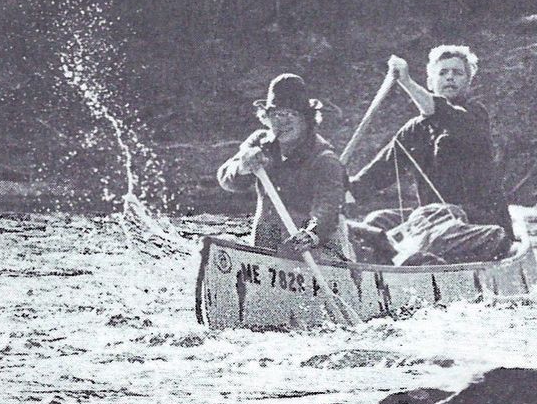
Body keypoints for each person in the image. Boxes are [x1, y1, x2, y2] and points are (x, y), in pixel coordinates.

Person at [348, 45, 513, 261]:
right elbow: (377, 174)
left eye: (457, 73)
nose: (450, 78)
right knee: (375, 221)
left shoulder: (475, 116)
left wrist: (406, 81)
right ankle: (391, 265)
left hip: (477, 222)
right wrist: (341, 191)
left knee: (441, 224)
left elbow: (441, 112)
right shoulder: (413, 130)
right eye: (442, 73)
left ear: (468, 82)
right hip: (430, 220)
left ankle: (413, 256)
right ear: (430, 83)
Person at [217, 73, 353, 260]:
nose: (283, 122)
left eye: (291, 114)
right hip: (267, 248)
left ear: (306, 119)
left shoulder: (325, 159)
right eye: (277, 114)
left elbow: (328, 209)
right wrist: (242, 166)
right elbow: (226, 179)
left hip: (316, 252)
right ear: (266, 116)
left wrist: (312, 234)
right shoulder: (260, 143)